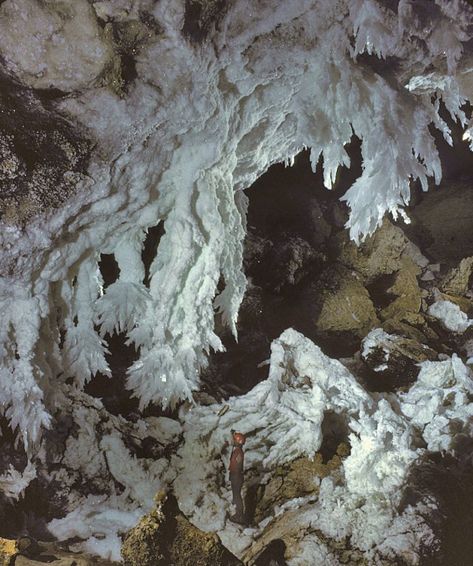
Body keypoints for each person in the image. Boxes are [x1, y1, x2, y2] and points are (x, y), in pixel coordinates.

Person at [228, 429, 246, 524]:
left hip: (237, 476)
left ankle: (239, 516)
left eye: (235, 439)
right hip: (236, 475)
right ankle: (238, 514)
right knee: (236, 496)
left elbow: (237, 466)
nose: (233, 441)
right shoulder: (237, 451)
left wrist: (234, 475)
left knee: (237, 496)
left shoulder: (238, 452)